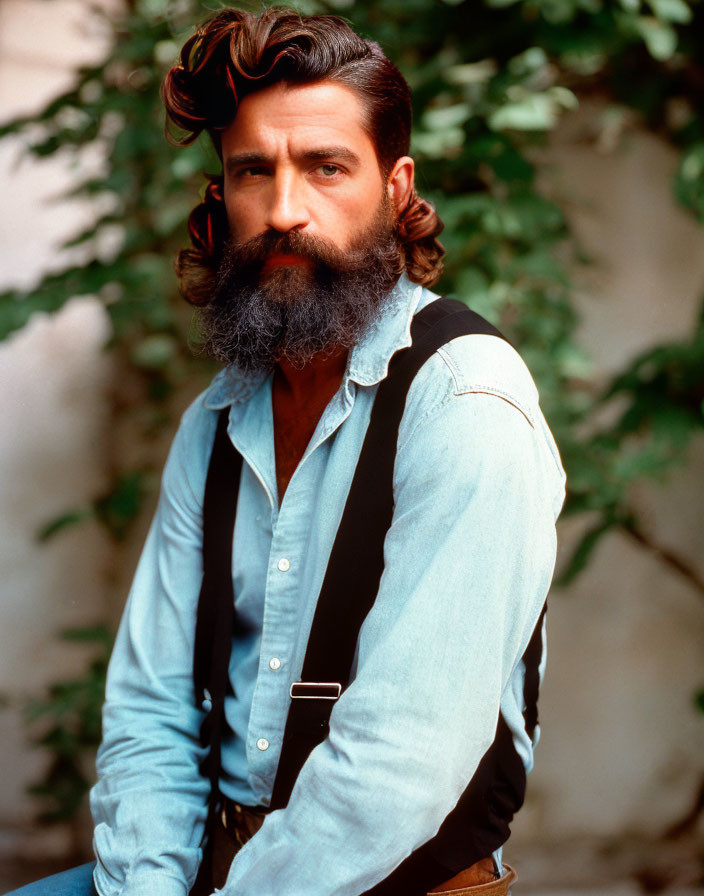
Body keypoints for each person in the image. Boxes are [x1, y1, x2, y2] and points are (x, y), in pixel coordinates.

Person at [6, 8, 565, 896]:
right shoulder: (217, 422)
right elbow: (150, 711)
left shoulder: (466, 402)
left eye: (326, 167)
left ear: (395, 185)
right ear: (223, 195)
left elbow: (399, 762)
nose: (284, 210)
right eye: (252, 172)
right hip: (207, 872)